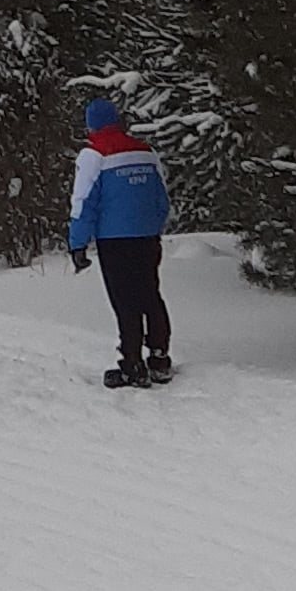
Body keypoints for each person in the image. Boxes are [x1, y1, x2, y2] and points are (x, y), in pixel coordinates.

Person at [66, 95, 174, 389]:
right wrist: (152, 227)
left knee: (125, 301)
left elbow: (83, 203)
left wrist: (77, 244)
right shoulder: (146, 152)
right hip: (147, 236)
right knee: (150, 293)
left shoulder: (93, 155)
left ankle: (132, 365)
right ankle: (160, 358)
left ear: (91, 127)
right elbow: (162, 199)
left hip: (115, 240)